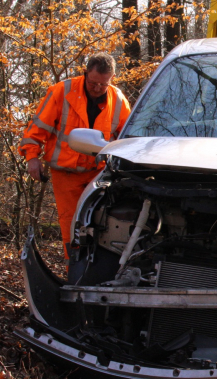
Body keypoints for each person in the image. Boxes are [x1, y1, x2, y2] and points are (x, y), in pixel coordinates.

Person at [19, 53, 132, 260]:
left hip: (99, 175)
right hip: (66, 174)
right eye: (93, 83)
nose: (97, 88)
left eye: (103, 84)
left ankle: (100, 270)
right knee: (71, 227)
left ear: (112, 78)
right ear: (85, 73)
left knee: (105, 225)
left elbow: (129, 138)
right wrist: (32, 157)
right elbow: (37, 128)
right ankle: (74, 269)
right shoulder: (61, 91)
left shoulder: (118, 100)